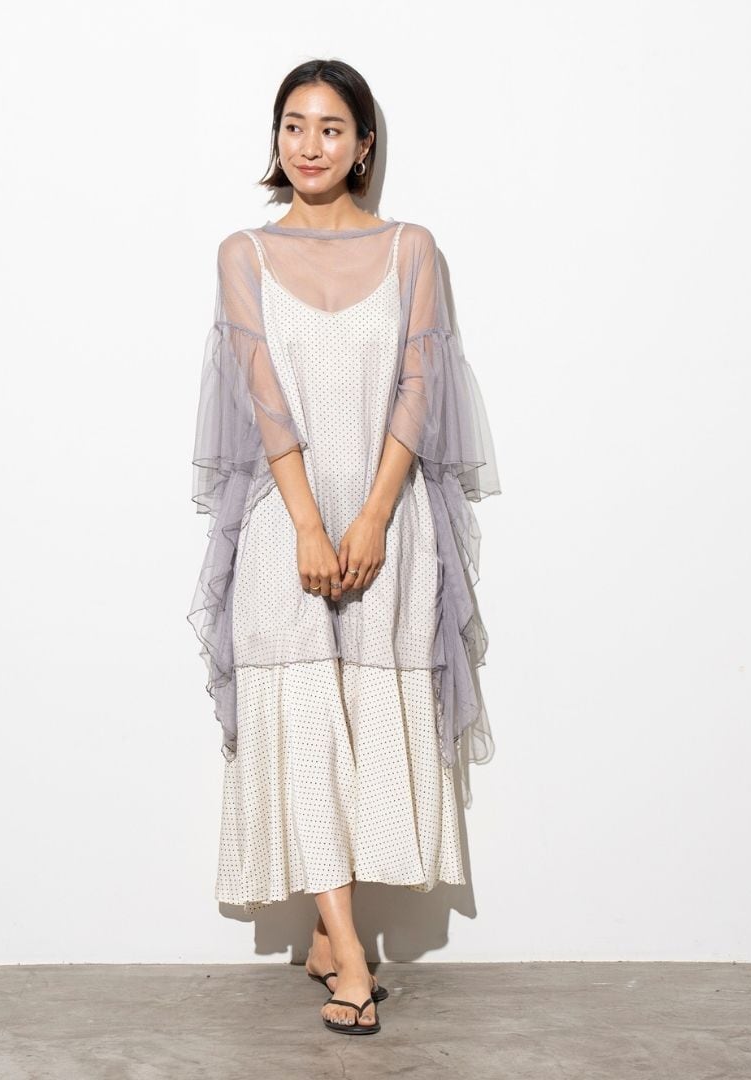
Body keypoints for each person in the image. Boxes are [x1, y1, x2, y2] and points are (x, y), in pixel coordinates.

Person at [187, 58, 501, 1035]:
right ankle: (353, 958)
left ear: (363, 145)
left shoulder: (412, 249)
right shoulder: (243, 253)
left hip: (387, 517)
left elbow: (420, 386)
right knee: (301, 723)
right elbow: (261, 396)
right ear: (276, 138)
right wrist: (310, 525)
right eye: (293, 125)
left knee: (365, 723)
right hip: (284, 519)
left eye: (330, 128)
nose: (309, 145)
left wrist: (369, 518)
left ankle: (329, 935)